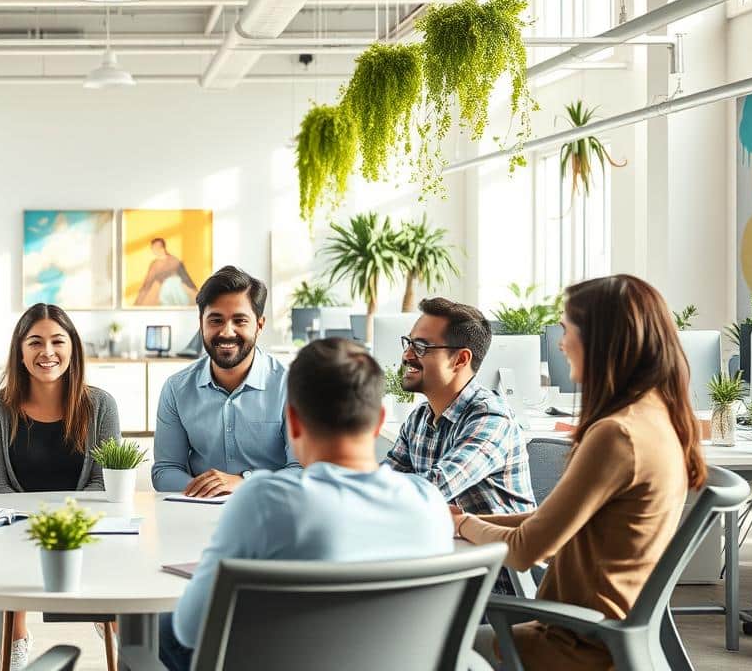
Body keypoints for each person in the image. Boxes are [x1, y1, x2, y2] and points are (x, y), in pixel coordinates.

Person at [454, 275, 707, 669]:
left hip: (574, 645)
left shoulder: (616, 435)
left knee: (422, 640)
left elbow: (526, 550)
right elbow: (549, 524)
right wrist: (464, 522)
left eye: (565, 329)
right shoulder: (655, 418)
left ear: (602, 340)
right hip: (606, 637)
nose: (560, 343)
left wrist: (465, 525)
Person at [158, 338, 454, 671]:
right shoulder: (428, 503)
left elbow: (192, 628)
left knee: (163, 630)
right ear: (379, 419)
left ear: (294, 421)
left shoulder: (264, 500)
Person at [0, 303, 121, 668]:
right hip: (14, 533)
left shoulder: (101, 405)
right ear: (19, 351)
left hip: (87, 531)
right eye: (35, 342)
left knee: (125, 609)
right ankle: (18, 638)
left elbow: (101, 482)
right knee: (8, 600)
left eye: (58, 341)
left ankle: (108, 625)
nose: (47, 352)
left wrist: (64, 526)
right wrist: (43, 526)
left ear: (72, 347)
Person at [151, 266, 299, 496]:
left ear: (259, 325)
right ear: (201, 324)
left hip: (272, 510)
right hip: (199, 510)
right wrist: (212, 490)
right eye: (216, 320)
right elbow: (165, 471)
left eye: (240, 321)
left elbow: (301, 470)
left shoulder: (291, 386)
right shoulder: (176, 389)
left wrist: (243, 483)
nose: (227, 332)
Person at [383, 297, 534, 517]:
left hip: (499, 549)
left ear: (461, 359)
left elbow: (435, 486)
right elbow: (385, 478)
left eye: (421, 346)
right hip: (451, 544)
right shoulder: (419, 419)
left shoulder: (490, 418)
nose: (407, 355)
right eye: (409, 343)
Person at [134, 238, 198, 306]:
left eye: (157, 247)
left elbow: (186, 278)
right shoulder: (154, 264)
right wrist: (138, 301)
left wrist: (196, 291)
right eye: (153, 248)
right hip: (162, 292)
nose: (155, 250)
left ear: (163, 248)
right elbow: (147, 283)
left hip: (177, 291)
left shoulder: (174, 261)